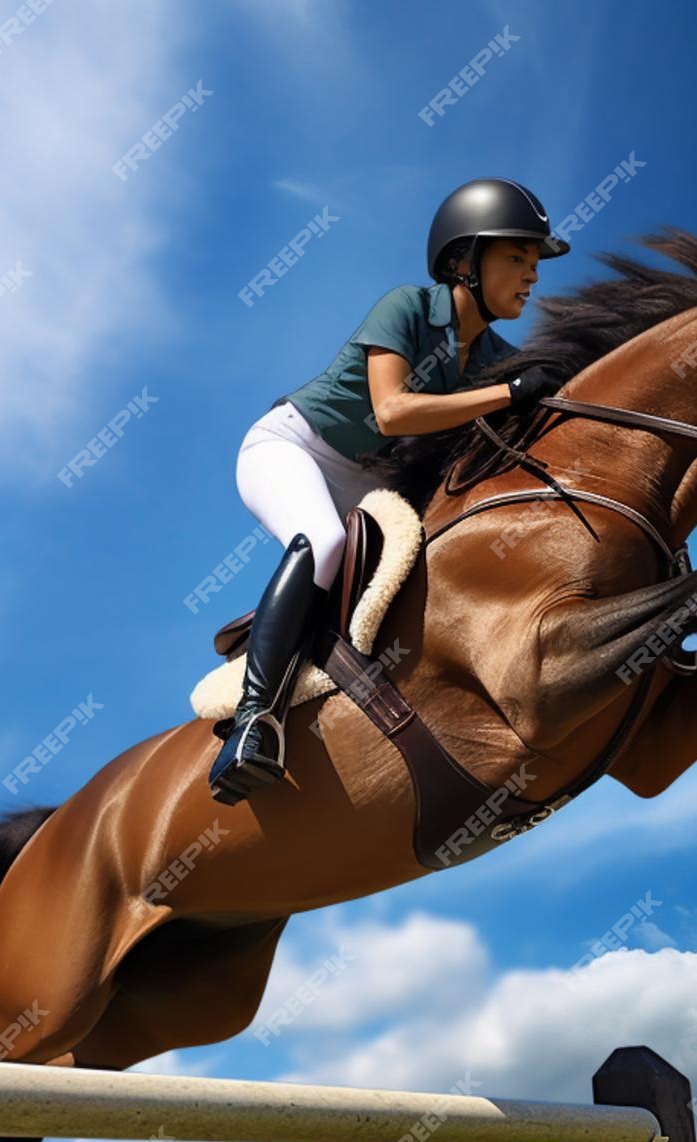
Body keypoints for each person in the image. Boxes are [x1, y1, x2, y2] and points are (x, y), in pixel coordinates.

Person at [208, 177, 572, 804]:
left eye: (535, 264)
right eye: (517, 257)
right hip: (294, 447)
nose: (532, 275)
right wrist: (513, 392)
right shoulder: (406, 306)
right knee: (321, 541)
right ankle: (252, 722)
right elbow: (393, 412)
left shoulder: (492, 354)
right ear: (463, 261)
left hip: (369, 482)